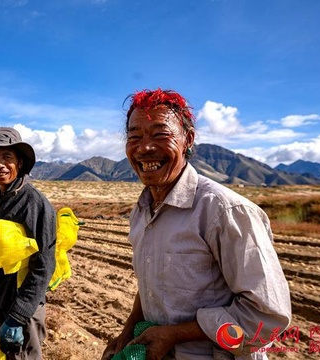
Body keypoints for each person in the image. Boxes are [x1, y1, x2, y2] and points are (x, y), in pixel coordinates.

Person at [101, 89, 291, 360]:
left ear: (187, 140)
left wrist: (175, 334)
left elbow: (265, 318)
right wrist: (128, 330)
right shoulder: (142, 211)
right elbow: (150, 285)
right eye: (134, 136)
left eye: (160, 134)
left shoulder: (225, 211)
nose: (144, 147)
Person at [0, 127, 57, 359]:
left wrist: (18, 316)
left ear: (19, 162)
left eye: (7, 157)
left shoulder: (34, 203)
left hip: (21, 310)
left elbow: (44, 265)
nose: (0, 164)